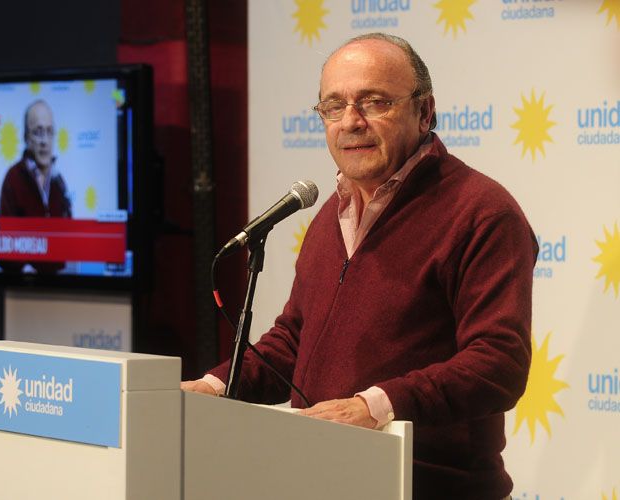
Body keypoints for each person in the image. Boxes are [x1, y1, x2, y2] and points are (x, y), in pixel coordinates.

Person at [182, 33, 537, 499]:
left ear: (425, 111)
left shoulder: (481, 213)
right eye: (334, 106)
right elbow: (292, 340)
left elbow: (498, 362)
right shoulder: (332, 213)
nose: (351, 121)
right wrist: (214, 386)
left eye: (374, 102)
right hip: (320, 479)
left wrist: (375, 406)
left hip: (432, 487)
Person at [0, 99, 71, 273]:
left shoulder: (59, 182)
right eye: (38, 132)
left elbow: (69, 239)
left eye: (49, 131)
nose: (45, 141)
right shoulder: (13, 178)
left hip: (62, 285)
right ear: (26, 137)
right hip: (21, 287)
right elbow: (4, 247)